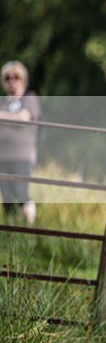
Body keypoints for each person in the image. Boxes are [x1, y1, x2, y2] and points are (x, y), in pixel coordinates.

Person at [0, 60, 42, 224]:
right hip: (2, 156)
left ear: (22, 78)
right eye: (8, 77)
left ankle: (29, 226)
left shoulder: (30, 98)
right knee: (7, 197)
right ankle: (12, 231)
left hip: (22, 156)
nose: (12, 80)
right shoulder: (3, 102)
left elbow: (23, 118)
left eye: (15, 77)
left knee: (21, 192)